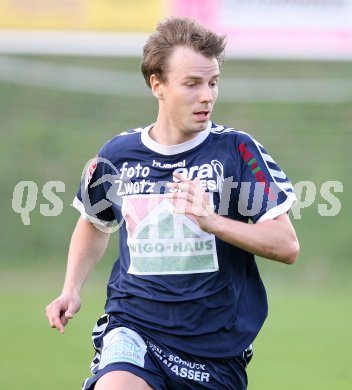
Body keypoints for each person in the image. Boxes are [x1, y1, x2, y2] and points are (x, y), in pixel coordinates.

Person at [46, 17, 299, 390]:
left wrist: (214, 222)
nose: (207, 96)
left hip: (215, 347)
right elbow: (94, 223)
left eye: (212, 83)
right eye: (192, 84)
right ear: (158, 85)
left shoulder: (237, 151)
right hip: (134, 327)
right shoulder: (119, 154)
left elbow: (286, 245)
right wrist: (71, 288)